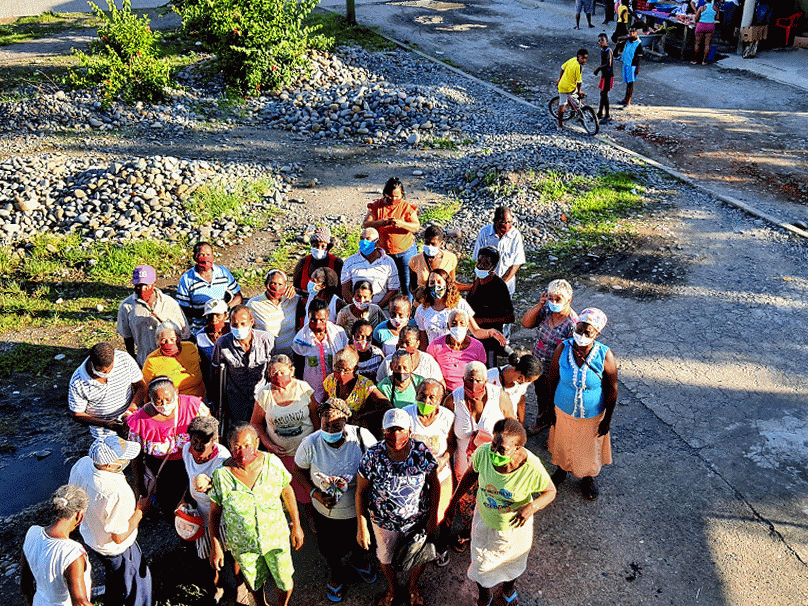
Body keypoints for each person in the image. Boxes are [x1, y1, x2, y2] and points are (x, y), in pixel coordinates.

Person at [445, 419, 556, 606]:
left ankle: (507, 589)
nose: (495, 451)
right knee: (481, 565)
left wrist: (531, 507)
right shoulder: (483, 453)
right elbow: (471, 474)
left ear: (518, 448)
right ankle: (484, 595)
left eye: (502, 449)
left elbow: (550, 492)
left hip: (514, 528)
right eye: (494, 444)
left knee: (512, 562)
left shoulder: (531, 467)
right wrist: (453, 502)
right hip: (485, 521)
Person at [292, 398, 378, 603]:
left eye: (336, 425)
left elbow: (377, 466)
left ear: (346, 421)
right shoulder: (310, 443)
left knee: (361, 543)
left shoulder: (362, 438)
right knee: (331, 549)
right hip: (326, 514)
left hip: (358, 510)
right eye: (326, 425)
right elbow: (297, 470)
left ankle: (359, 563)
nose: (330, 430)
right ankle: (337, 575)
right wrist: (315, 494)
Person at [209, 424, 304, 606]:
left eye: (247, 445)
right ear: (230, 448)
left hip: (276, 538)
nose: (242, 452)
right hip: (244, 546)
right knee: (254, 581)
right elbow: (214, 512)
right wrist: (216, 544)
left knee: (284, 582)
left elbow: (287, 491)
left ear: (257, 443)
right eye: (237, 447)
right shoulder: (221, 476)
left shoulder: (272, 463)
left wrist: (296, 525)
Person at [355, 408, 440, 606]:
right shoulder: (373, 455)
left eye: (400, 430)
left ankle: (412, 587)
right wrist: (362, 526)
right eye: (390, 430)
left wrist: (432, 516)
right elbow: (360, 492)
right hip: (383, 522)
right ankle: (393, 589)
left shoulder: (421, 452)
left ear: (409, 431)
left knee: (419, 556)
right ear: (383, 431)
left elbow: (434, 484)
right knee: (385, 556)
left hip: (417, 519)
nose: (395, 435)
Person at [68, 436, 152, 606]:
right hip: (117, 549)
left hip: (93, 537)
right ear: (109, 464)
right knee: (138, 586)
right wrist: (140, 512)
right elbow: (119, 537)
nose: (127, 460)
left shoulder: (82, 464)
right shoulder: (117, 492)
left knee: (115, 575)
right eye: (122, 458)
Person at [547, 308, 618, 500]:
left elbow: (612, 389)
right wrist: (549, 408)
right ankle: (561, 470)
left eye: (588, 332)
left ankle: (587, 477)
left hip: (592, 414)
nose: (582, 336)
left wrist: (607, 420)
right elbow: (552, 378)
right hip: (563, 409)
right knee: (562, 441)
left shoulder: (605, 355)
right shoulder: (563, 348)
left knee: (588, 448)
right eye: (579, 330)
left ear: (597, 333)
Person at [449, 361, 514, 552]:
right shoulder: (453, 399)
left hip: (493, 464)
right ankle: (468, 530)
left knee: (492, 498)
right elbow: (449, 437)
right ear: (462, 380)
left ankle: (490, 532)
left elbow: (513, 427)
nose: (474, 384)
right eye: (470, 380)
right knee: (466, 502)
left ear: (486, 380)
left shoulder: (498, 396)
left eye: (479, 380)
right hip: (464, 465)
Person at [127, 376, 210, 518]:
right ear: (150, 398)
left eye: (168, 399)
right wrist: (138, 485)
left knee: (198, 506)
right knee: (172, 508)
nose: (164, 405)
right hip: (163, 473)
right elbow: (135, 456)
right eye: (158, 401)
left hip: (193, 465)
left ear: (176, 392)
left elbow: (211, 434)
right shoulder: (139, 421)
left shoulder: (193, 407)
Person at [251, 354, 318, 507]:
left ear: (291, 371)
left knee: (310, 486)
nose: (278, 376)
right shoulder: (264, 395)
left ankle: (311, 515)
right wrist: (269, 445)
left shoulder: (303, 388)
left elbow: (315, 417)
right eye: (273, 373)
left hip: (306, 451)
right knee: (289, 489)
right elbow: (255, 423)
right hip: (282, 454)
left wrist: (316, 442)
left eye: (282, 372)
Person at [403, 379, 455, 566]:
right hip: (412, 476)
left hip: (440, 473)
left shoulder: (447, 417)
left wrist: (444, 459)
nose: (426, 400)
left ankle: (437, 546)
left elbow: (452, 445)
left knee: (439, 514)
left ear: (440, 400)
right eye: (422, 396)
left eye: (432, 397)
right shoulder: (406, 414)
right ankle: (416, 547)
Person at [521, 278, 578, 434]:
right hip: (539, 363)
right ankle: (542, 418)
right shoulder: (546, 311)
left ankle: (555, 428)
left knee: (556, 398)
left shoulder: (572, 323)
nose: (553, 302)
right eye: (550, 298)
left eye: (558, 299)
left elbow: (575, 352)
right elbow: (526, 323)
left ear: (569, 300)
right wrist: (540, 304)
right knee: (541, 393)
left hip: (557, 369)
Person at [21, 485, 92, 606]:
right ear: (79, 515)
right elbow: (80, 603)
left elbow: (25, 584)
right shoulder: (72, 553)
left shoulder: (32, 533)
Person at [179, 417, 231, 567]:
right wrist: (184, 499)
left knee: (231, 552)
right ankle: (218, 586)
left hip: (222, 515)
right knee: (210, 554)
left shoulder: (223, 460)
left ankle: (239, 583)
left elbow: (226, 496)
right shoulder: (186, 451)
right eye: (194, 442)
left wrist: (209, 488)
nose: (197, 447)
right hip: (203, 514)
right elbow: (189, 479)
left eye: (203, 443)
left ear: (214, 441)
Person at [68, 342, 146, 440]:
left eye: (107, 370)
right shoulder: (78, 381)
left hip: (131, 419)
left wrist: (130, 411)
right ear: (91, 362)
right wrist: (106, 424)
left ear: (113, 359)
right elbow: (77, 414)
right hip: (103, 432)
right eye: (100, 371)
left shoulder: (125, 360)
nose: (105, 374)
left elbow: (141, 387)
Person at [117, 264, 189, 367]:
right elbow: (127, 337)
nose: (142, 289)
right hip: (145, 362)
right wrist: (132, 359)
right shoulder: (127, 306)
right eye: (138, 285)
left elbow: (184, 334)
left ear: (154, 283)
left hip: (172, 361)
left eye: (146, 285)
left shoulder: (169, 303)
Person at [213, 305, 275, 426]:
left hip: (261, 398)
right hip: (236, 400)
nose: (239, 328)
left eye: (243, 323)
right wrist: (217, 404)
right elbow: (215, 373)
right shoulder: (222, 343)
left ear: (251, 322)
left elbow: (272, 369)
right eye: (234, 324)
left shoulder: (266, 340)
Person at [363, 177, 420, 299]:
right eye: (390, 196)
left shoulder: (407, 207)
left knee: (407, 283)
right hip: (385, 252)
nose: (393, 199)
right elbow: (366, 224)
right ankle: (386, 308)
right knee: (384, 282)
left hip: (406, 251)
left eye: (397, 197)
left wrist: (402, 224)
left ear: (402, 195)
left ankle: (407, 309)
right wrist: (381, 223)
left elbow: (416, 226)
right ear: (385, 194)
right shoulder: (377, 206)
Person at [415, 269, 502, 348]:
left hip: (457, 353)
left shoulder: (459, 304)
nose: (435, 286)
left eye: (439, 282)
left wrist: (490, 333)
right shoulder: (422, 310)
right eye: (432, 283)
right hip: (435, 353)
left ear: (446, 284)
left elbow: (476, 331)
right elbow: (423, 341)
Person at [176, 242, 242, 332]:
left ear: (213, 256)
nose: (206, 258)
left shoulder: (223, 272)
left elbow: (238, 297)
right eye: (202, 255)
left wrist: (224, 308)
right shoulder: (187, 278)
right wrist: (207, 313)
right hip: (200, 328)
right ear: (195, 257)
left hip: (224, 325)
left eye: (208, 254)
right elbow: (183, 307)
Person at [292, 299, 349, 402]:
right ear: (308, 317)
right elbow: (299, 369)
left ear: (327, 316)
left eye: (322, 320)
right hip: (311, 392)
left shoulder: (339, 334)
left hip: (335, 390)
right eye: (313, 320)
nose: (318, 325)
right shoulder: (300, 340)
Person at [465, 247, 515, 367]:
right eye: (479, 263)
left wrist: (484, 320)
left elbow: (510, 317)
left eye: (486, 264)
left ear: (493, 267)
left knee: (489, 370)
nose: (481, 267)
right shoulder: (478, 281)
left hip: (490, 338)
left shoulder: (499, 287)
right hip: (475, 334)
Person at [322, 346, 389, 431]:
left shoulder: (365, 385)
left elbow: (386, 406)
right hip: (332, 430)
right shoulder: (330, 380)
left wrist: (361, 415)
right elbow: (324, 401)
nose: (341, 374)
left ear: (355, 369)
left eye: (346, 370)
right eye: (338, 369)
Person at [141, 320, 205, 398]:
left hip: (199, 399)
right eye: (164, 340)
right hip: (174, 405)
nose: (169, 344)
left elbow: (202, 368)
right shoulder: (152, 360)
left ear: (179, 337)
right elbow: (145, 388)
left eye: (173, 339)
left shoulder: (190, 348)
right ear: (158, 342)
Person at [472, 206, 526, 298]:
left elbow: (516, 263)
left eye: (510, 222)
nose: (508, 225)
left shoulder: (515, 235)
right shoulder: (485, 233)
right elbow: (479, 261)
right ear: (496, 221)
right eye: (504, 222)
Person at [427, 310, 487, 392]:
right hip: (443, 392)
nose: (458, 327)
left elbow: (481, 373)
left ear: (467, 326)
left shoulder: (478, 347)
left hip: (469, 392)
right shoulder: (435, 345)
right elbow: (430, 371)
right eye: (454, 323)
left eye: (462, 323)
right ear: (448, 326)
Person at [340, 227, 400, 308]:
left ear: (377, 242)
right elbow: (345, 290)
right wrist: (358, 308)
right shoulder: (350, 262)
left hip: (382, 311)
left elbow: (393, 290)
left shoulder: (388, 263)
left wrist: (376, 309)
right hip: (357, 312)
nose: (364, 242)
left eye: (368, 239)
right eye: (362, 238)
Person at [248, 269, 299, 357]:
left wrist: (297, 290)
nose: (276, 288)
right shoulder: (254, 304)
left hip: (289, 357)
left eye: (280, 284)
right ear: (266, 284)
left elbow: (311, 298)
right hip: (265, 357)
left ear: (286, 286)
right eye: (273, 283)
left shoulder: (293, 300)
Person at [377, 325, 445, 385]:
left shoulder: (428, 361)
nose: (403, 346)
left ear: (417, 344)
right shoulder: (388, 361)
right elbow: (379, 383)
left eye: (408, 343)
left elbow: (440, 385)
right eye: (401, 342)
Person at [486, 352, 542, 424]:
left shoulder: (522, 384)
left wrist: (521, 425)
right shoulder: (489, 378)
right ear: (521, 378)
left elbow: (521, 403)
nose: (528, 384)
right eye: (529, 381)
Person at [408, 224, 457, 299]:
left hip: (443, 302)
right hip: (424, 302)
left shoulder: (450, 258)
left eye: (433, 244)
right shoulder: (415, 260)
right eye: (427, 243)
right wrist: (417, 295)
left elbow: (452, 281)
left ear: (441, 244)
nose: (429, 246)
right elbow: (412, 285)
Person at [292, 226, 344, 297]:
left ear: (328, 248)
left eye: (323, 246)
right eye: (315, 246)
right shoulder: (303, 263)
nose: (319, 249)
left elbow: (340, 290)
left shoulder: (337, 263)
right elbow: (296, 288)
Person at [195, 298, 230, 391]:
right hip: (214, 381)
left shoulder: (233, 331)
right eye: (210, 316)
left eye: (218, 316)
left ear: (225, 315)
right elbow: (203, 364)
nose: (214, 320)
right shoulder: (200, 336)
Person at [556, 49, 589, 130]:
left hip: (563, 85)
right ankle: (581, 114)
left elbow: (562, 68)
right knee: (577, 98)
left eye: (586, 58)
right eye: (583, 58)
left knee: (562, 105)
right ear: (578, 57)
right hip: (568, 88)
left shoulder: (572, 59)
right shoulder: (578, 67)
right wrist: (579, 92)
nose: (584, 60)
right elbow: (579, 82)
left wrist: (559, 79)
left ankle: (560, 125)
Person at [619, 26, 643, 107]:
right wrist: (627, 36)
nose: (631, 33)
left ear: (636, 33)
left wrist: (637, 68)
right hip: (626, 63)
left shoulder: (638, 43)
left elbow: (639, 57)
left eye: (633, 31)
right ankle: (625, 99)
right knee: (627, 83)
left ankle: (628, 101)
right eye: (630, 31)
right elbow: (619, 39)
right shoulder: (628, 40)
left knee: (630, 84)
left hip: (632, 65)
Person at [594, 32, 614, 124]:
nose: (600, 42)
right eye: (599, 41)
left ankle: (607, 115)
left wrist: (598, 68)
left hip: (608, 75)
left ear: (607, 41)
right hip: (604, 75)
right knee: (602, 94)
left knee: (604, 94)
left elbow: (608, 64)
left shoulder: (608, 51)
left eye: (602, 40)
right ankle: (600, 113)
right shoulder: (603, 50)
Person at [692, 0, 718, 65]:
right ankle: (704, 61)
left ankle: (695, 60)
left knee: (697, 44)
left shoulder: (702, 8)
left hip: (701, 25)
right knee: (707, 44)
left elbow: (696, 18)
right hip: (710, 26)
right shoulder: (716, 8)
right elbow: (717, 18)